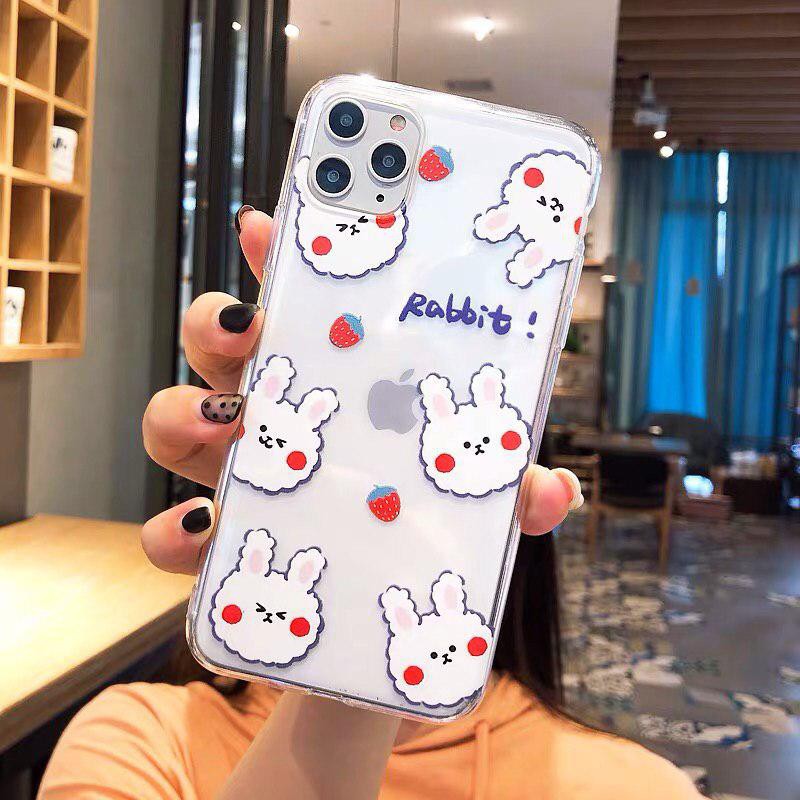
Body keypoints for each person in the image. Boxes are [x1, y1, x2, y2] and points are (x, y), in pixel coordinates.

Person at [38, 209, 699, 800]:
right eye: (350, 436)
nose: (374, 480)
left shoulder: (637, 790)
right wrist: (358, 647)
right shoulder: (139, 743)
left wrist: (380, 621)